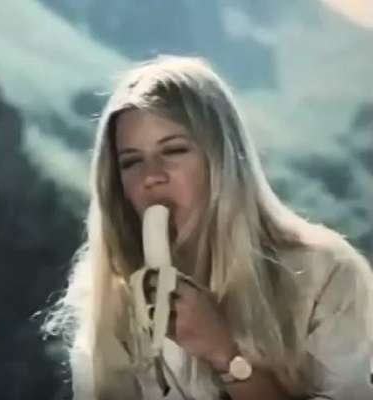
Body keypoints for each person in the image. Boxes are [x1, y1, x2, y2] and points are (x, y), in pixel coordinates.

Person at [44, 55, 373, 399]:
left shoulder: (327, 276)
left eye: (173, 150)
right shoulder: (109, 296)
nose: (151, 176)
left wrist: (225, 354)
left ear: (220, 159)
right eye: (131, 162)